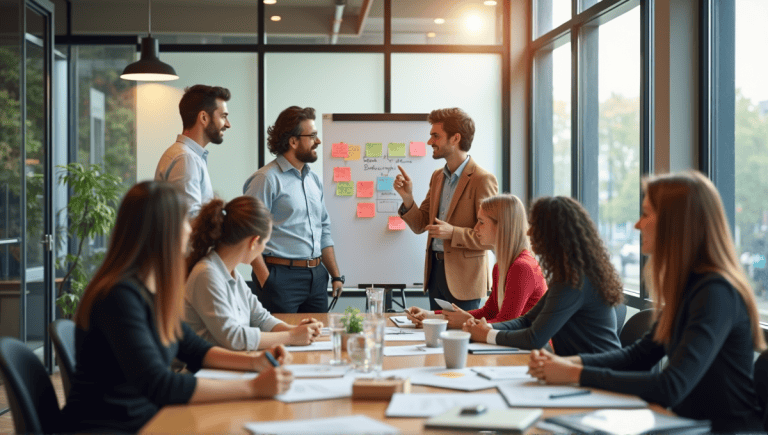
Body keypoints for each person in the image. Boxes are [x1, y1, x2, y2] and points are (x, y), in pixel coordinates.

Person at [527, 171, 767, 433]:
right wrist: (569, 364)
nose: (637, 225)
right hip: (687, 424)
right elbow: (638, 357)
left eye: (646, 214)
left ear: (674, 224)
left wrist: (573, 374)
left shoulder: (716, 293)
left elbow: (670, 387)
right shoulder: (690, 286)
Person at [62, 182, 293, 434]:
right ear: (163, 231)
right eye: (184, 221)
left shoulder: (150, 290)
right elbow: (159, 384)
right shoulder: (119, 296)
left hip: (146, 419)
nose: (189, 229)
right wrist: (253, 388)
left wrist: (257, 363)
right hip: (114, 427)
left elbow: (195, 349)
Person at [462, 196, 623, 356]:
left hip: (593, 375)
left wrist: (486, 334)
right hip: (575, 369)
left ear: (553, 233)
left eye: (535, 226)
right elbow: (526, 320)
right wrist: (484, 327)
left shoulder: (575, 282)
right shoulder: (568, 276)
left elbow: (534, 338)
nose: (528, 232)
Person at [185, 196, 323, 350]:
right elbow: (234, 337)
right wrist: (291, 336)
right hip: (204, 371)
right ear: (253, 242)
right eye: (265, 243)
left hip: (231, 366)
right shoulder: (207, 274)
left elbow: (261, 318)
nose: (263, 249)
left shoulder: (231, 273)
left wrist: (294, 330)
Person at [394, 108, 498, 311]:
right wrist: (407, 198)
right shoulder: (437, 177)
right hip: (435, 274)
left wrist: (453, 233)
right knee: (436, 339)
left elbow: (492, 236)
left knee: (462, 340)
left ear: (455, 138)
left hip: (465, 281)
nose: (429, 142)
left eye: (435, 136)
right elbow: (420, 224)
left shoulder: (482, 180)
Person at [243, 106, 343, 313]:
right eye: (313, 135)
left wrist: (335, 275)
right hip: (280, 277)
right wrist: (266, 281)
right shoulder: (265, 179)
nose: (318, 141)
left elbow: (323, 229)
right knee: (282, 342)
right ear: (293, 141)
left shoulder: (313, 180)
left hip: (317, 278)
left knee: (317, 340)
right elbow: (248, 233)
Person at [405, 194, 547, 329]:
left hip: (530, 352)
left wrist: (466, 321)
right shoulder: (500, 267)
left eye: (481, 222)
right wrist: (430, 315)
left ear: (501, 226)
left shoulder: (522, 267)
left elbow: (506, 323)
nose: (475, 228)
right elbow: (489, 312)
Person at [156, 85, 231, 217]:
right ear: (203, 118)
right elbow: (190, 219)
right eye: (223, 116)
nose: (228, 124)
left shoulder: (188, 156)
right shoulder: (186, 158)